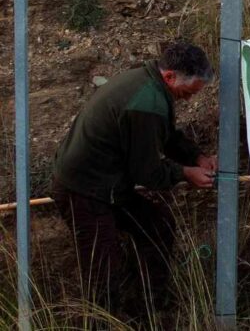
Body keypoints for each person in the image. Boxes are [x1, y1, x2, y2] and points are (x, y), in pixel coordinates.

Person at [51, 41, 217, 318]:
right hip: (83, 191)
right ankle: (102, 322)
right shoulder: (146, 102)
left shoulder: (150, 83)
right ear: (170, 76)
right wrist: (186, 174)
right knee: (102, 270)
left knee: (158, 225)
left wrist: (196, 156)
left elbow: (164, 135)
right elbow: (148, 173)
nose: (188, 99)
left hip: (110, 185)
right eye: (187, 93)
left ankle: (150, 311)